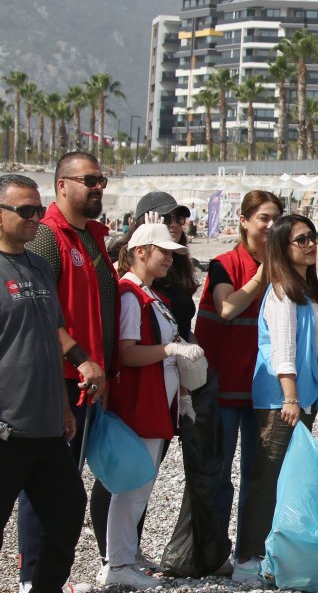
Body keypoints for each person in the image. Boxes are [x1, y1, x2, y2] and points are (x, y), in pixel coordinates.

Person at [21, 151, 116, 585]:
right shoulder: (47, 236)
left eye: (102, 180)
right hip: (60, 382)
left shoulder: (92, 237)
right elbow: (41, 312)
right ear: (62, 185)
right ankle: (31, 575)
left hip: (92, 382)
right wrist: (79, 361)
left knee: (66, 485)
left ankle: (47, 577)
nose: (99, 187)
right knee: (45, 487)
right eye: (89, 180)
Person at [0, 174, 92, 593]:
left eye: (38, 209)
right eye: (25, 210)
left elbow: (51, 335)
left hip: (47, 425)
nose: (36, 218)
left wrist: (62, 406)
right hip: (7, 427)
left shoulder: (38, 266)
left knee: (68, 512)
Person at [103, 223, 204, 589]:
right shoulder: (131, 294)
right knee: (131, 488)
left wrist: (183, 394)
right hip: (139, 402)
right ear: (141, 251)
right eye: (163, 251)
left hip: (156, 400)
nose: (170, 258)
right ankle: (117, 563)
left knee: (140, 487)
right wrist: (170, 349)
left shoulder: (148, 293)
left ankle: (126, 555)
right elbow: (127, 353)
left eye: (172, 253)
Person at [233, 214, 318, 585]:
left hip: (302, 399)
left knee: (288, 479)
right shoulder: (282, 292)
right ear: (282, 247)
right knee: (268, 478)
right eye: (300, 239)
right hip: (281, 401)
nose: (310, 244)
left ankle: (272, 557)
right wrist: (290, 397)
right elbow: (283, 350)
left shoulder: (306, 288)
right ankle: (247, 559)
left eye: (312, 237)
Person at [193, 190, 282, 563]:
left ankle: (250, 553)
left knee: (258, 478)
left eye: (277, 218)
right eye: (263, 218)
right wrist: (262, 276)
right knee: (217, 475)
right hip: (224, 387)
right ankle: (211, 553)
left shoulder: (287, 265)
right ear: (244, 221)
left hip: (265, 390)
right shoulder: (224, 264)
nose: (271, 226)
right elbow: (227, 307)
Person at [132, 192, 198, 340]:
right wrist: (145, 240)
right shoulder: (131, 260)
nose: (174, 224)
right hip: (149, 351)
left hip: (179, 349)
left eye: (178, 218)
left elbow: (184, 325)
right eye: (166, 218)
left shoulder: (179, 262)